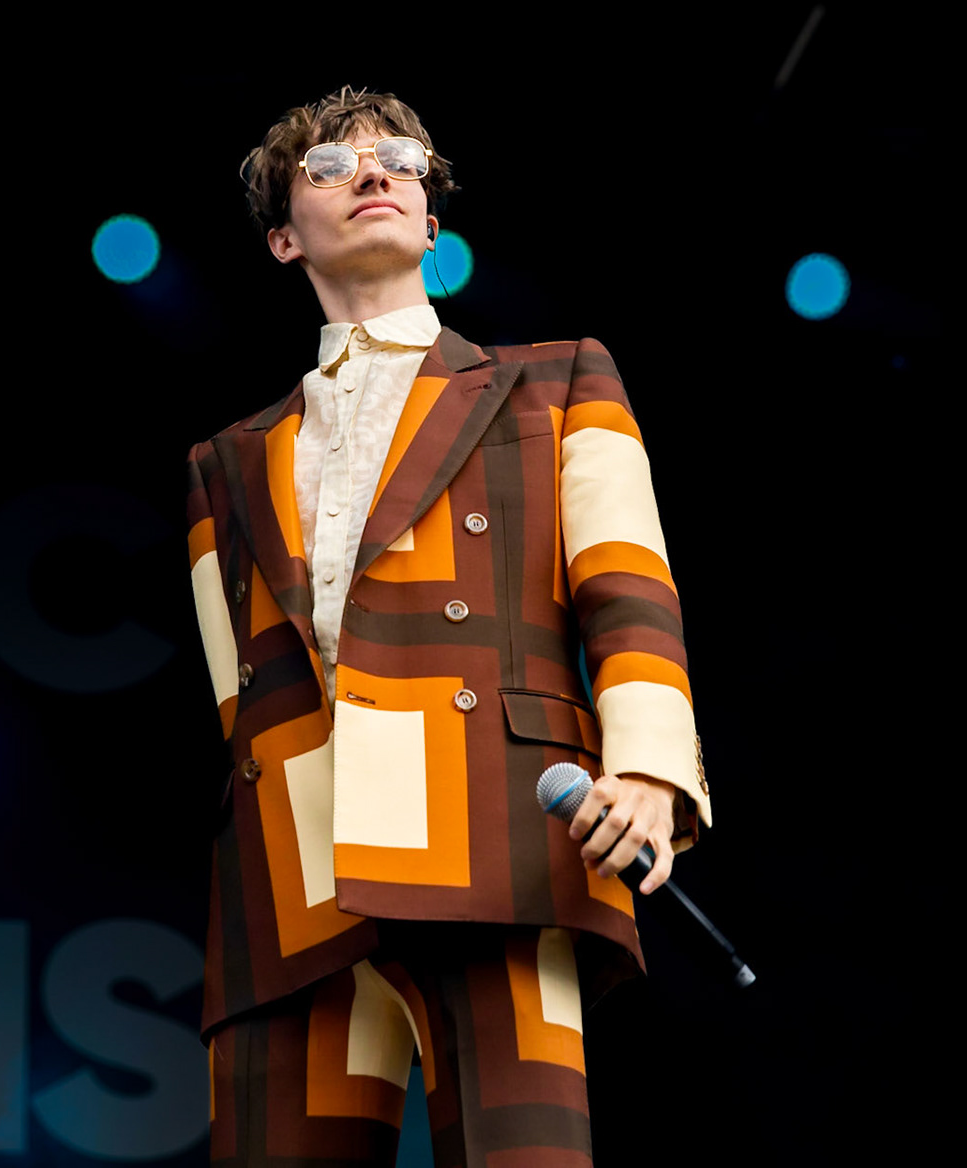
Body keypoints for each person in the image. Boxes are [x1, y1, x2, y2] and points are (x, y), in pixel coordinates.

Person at [184, 85, 711, 1167]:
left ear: (430, 218)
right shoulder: (225, 460)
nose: (373, 172)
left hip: (495, 841)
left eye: (400, 160)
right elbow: (240, 698)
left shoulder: (557, 381)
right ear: (284, 237)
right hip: (291, 883)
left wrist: (650, 774)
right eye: (331, 166)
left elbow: (627, 589)